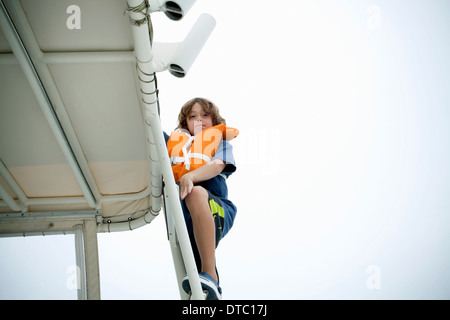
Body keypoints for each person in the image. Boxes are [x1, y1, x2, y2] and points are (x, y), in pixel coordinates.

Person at [164, 97, 237, 300]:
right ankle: (206, 289)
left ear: (214, 120)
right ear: (184, 123)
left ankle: (210, 274)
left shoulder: (219, 143)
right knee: (191, 271)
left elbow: (217, 165)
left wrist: (191, 176)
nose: (199, 119)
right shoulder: (173, 144)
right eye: (192, 116)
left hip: (217, 210)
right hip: (185, 218)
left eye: (205, 115)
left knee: (194, 193)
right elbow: (147, 132)